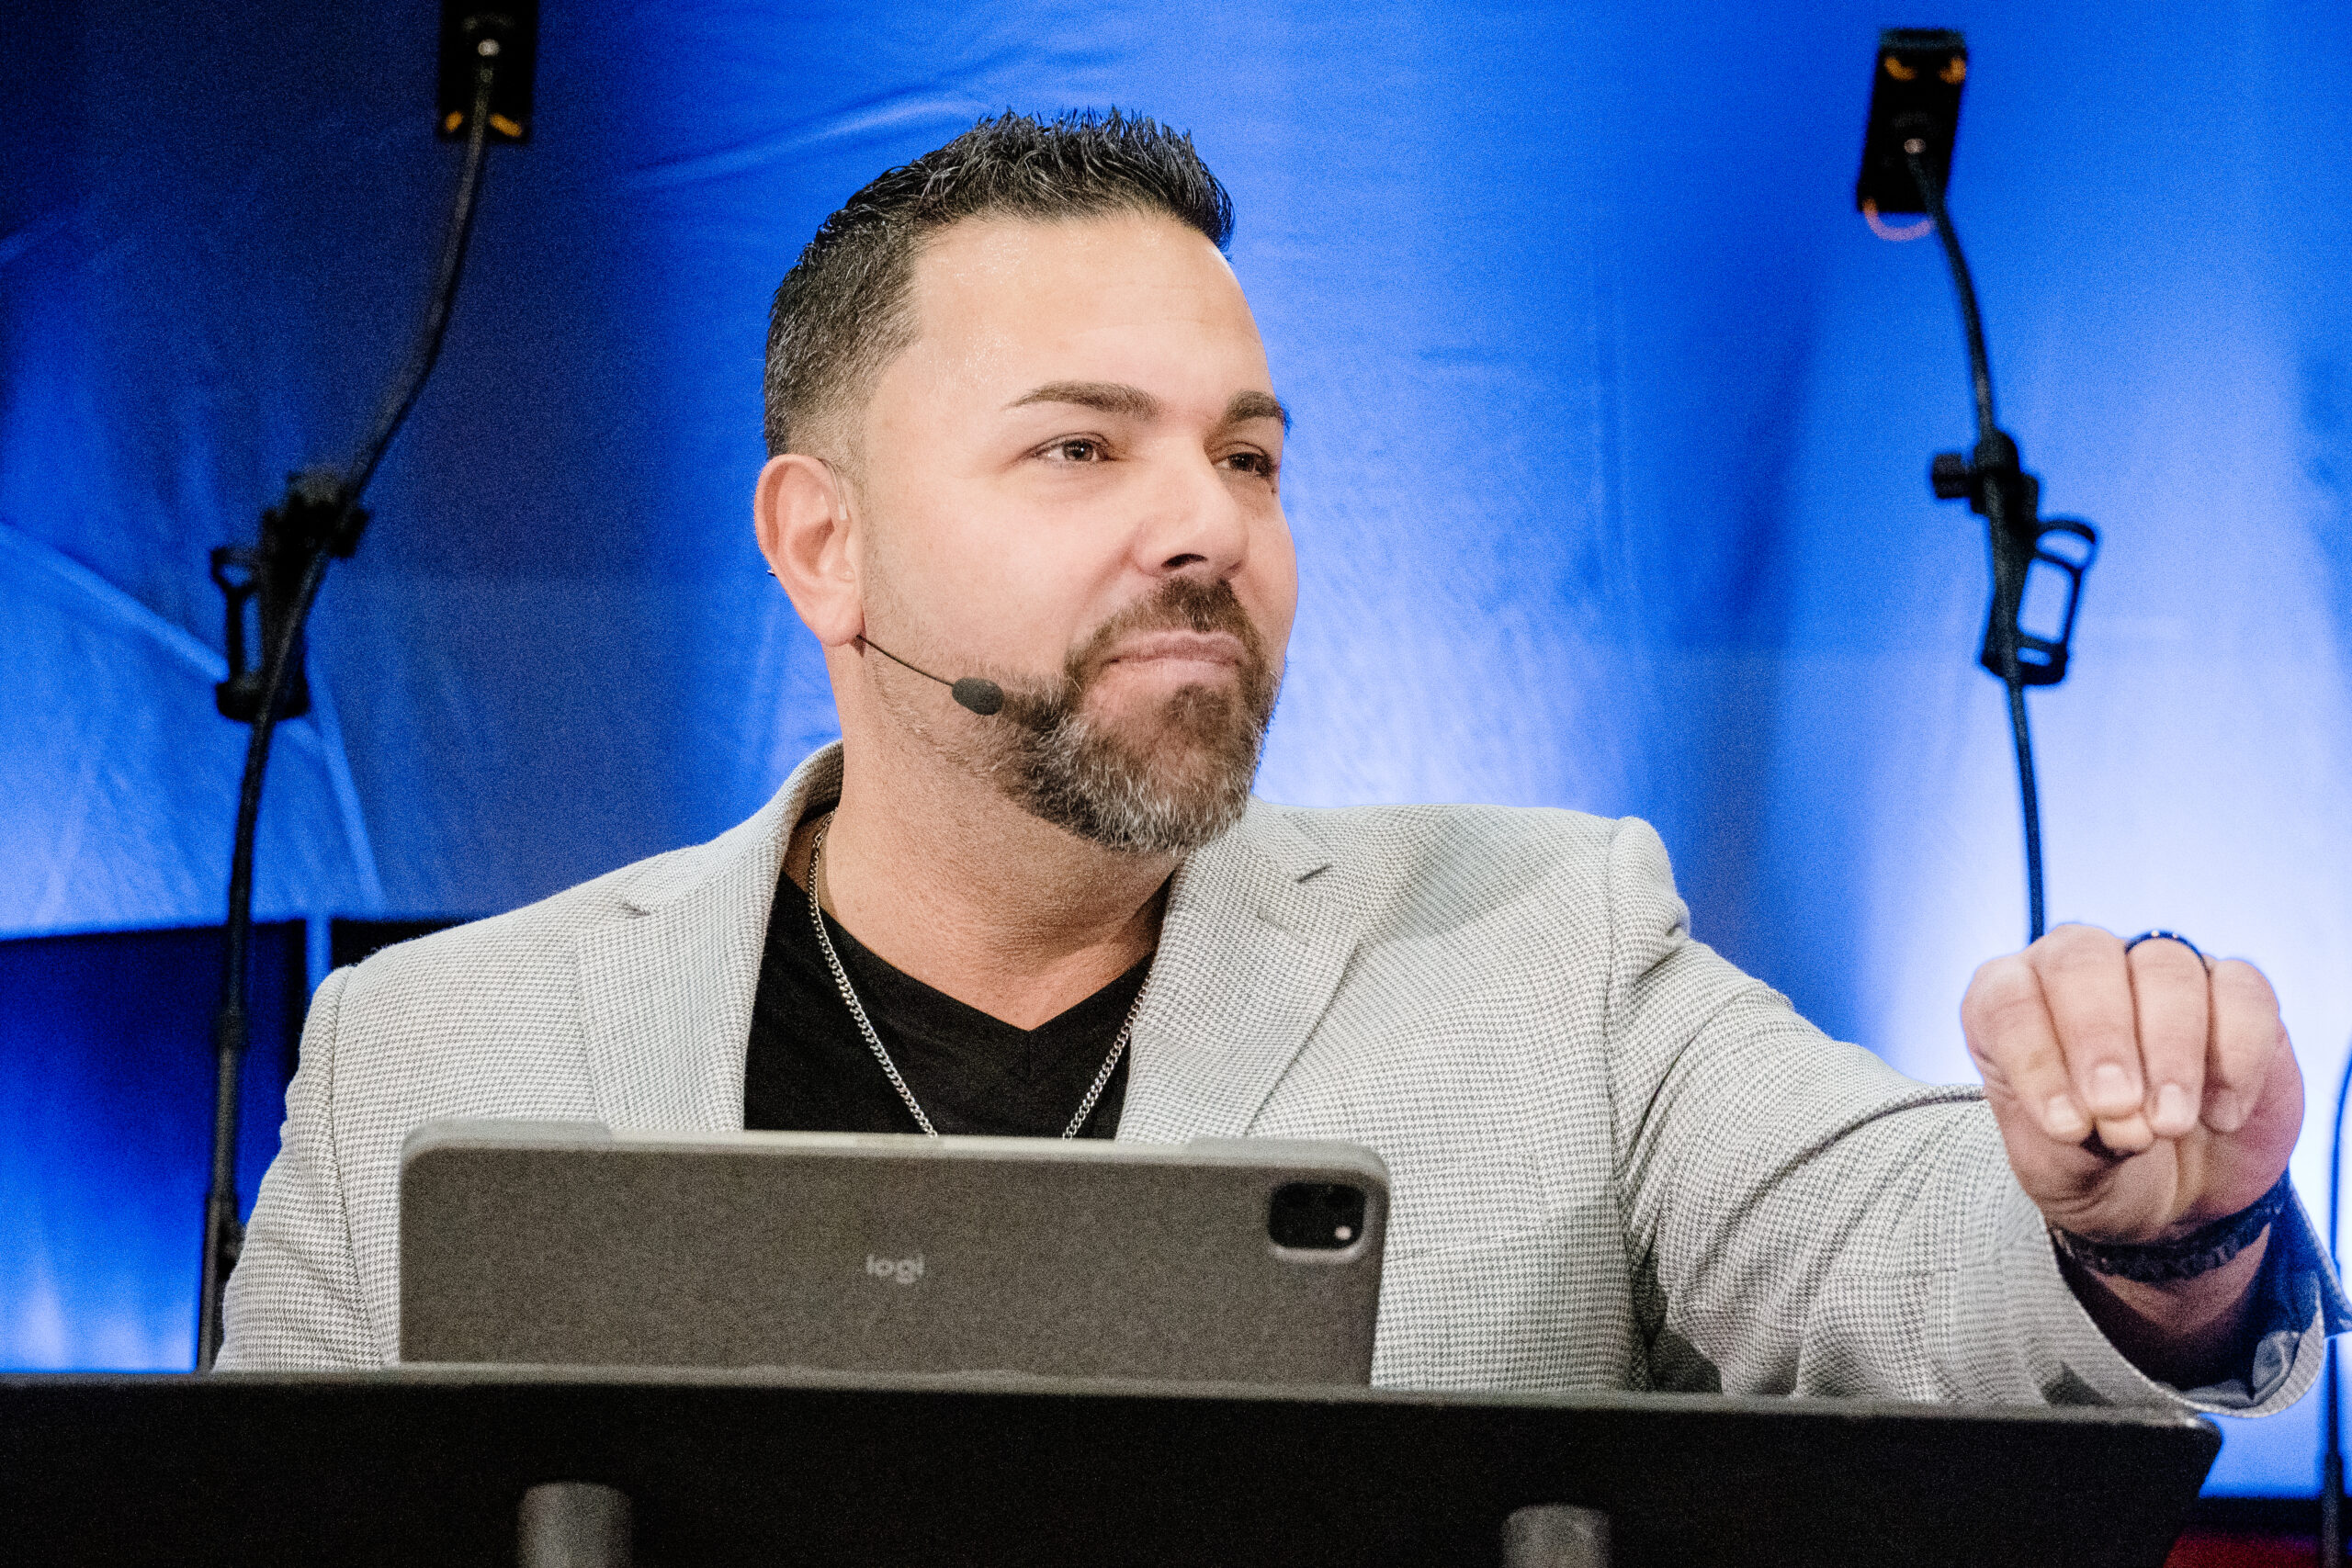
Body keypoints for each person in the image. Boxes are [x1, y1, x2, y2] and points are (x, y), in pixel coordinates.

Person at [220, 111, 2346, 1408]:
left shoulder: (1549, 950)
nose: (1206, 527)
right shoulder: (430, 1050)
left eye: (1247, 456)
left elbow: (1893, 1236)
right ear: (820, 544)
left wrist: (2150, 1230)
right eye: (1080, 447)